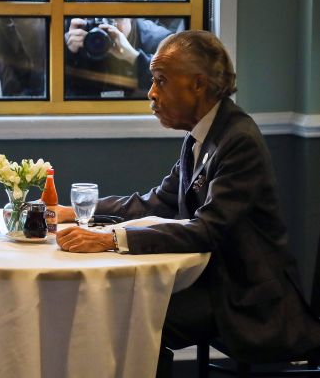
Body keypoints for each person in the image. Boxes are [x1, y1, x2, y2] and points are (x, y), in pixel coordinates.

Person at [55, 30, 320, 376]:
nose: (151, 92)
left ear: (198, 85)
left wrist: (110, 239)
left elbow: (207, 230)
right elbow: (158, 201)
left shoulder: (238, 141)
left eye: (161, 81)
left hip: (247, 297)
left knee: (139, 317)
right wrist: (76, 211)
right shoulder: (203, 132)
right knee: (129, 309)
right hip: (218, 282)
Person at [64, 16, 173, 98]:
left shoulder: (157, 39)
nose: (106, 28)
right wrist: (69, 55)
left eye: (115, 18)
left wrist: (133, 56)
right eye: (97, 20)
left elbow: (175, 85)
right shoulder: (76, 38)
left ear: (131, 17)